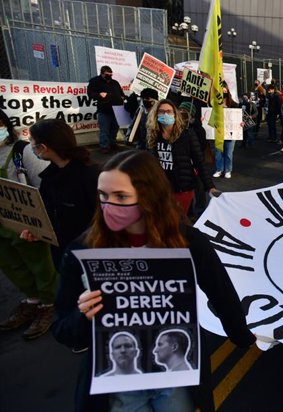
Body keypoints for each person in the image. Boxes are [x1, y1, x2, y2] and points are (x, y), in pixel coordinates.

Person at [52, 150, 255, 412]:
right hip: (118, 383)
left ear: (149, 197)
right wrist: (83, 316)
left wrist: (241, 335)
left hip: (175, 378)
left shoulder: (189, 243)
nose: (108, 205)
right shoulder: (83, 251)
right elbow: (63, 330)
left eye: (121, 196)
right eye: (103, 195)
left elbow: (221, 292)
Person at [0, 110, 55, 340]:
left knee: (40, 265)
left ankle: (49, 304)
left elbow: (47, 184)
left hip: (25, 221)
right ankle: (32, 300)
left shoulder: (20, 151)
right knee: (12, 265)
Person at [27, 119, 100, 268]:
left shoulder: (91, 176)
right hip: (63, 255)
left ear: (43, 147)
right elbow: (47, 212)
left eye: (32, 143)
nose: (31, 148)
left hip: (91, 257)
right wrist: (38, 232)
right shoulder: (50, 177)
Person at [146, 99, 216, 215]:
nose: (166, 114)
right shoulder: (152, 135)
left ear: (175, 114)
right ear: (156, 114)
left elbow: (199, 162)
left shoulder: (187, 134)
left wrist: (210, 187)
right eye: (162, 111)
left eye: (169, 111)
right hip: (161, 188)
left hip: (182, 187)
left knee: (179, 220)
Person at [87, 65, 125, 153]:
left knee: (115, 128)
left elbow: (121, 93)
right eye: (108, 75)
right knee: (104, 129)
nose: (110, 76)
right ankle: (104, 146)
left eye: (111, 74)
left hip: (117, 109)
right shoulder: (94, 81)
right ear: (102, 74)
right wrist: (99, 95)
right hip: (104, 109)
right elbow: (90, 94)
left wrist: (122, 97)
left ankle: (112, 143)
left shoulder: (115, 82)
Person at [212, 85, 241, 179]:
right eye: (221, 88)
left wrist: (242, 122)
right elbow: (210, 116)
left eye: (225, 88)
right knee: (218, 152)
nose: (223, 90)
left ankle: (228, 170)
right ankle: (219, 169)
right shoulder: (214, 103)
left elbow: (241, 116)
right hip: (219, 132)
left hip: (231, 132)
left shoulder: (234, 104)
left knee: (228, 153)